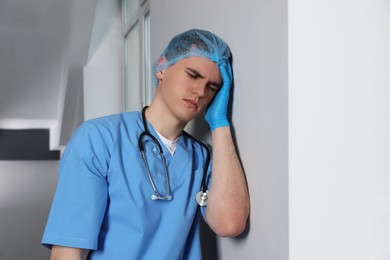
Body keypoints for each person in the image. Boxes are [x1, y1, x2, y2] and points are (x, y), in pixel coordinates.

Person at [42, 28, 250, 260]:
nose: (200, 91)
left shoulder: (203, 157)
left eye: (212, 87)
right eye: (193, 75)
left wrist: (220, 124)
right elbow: (67, 252)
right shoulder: (98, 138)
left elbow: (230, 224)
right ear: (161, 68)